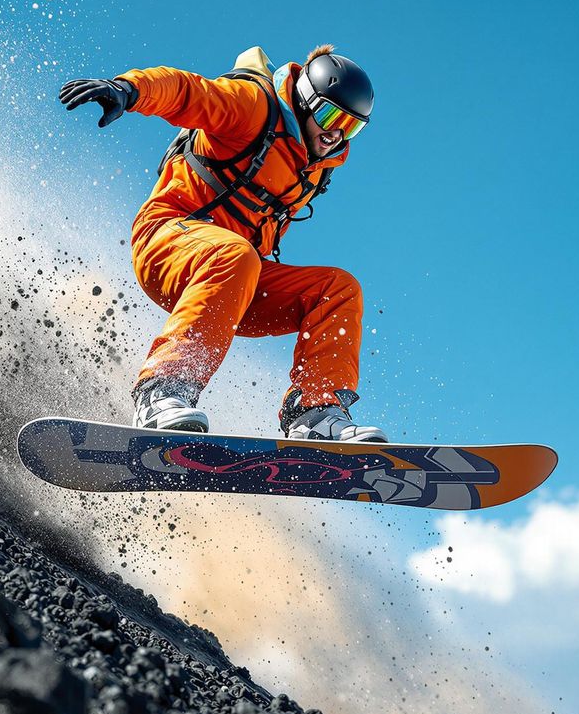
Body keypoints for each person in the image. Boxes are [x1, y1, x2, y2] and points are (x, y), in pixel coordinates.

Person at [59, 45, 387, 442]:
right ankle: (161, 391)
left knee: (338, 289)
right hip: (168, 241)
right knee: (236, 255)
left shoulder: (315, 168)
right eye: (331, 116)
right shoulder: (252, 107)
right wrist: (128, 89)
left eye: (351, 127)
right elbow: (187, 92)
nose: (336, 134)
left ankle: (315, 413)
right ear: (304, 100)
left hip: (232, 283)